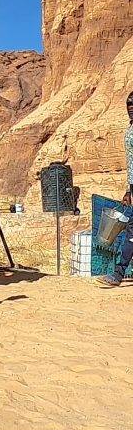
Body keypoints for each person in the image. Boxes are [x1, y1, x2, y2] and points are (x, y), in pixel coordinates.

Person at [96, 91, 133, 287]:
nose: (131, 107)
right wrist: (129, 189)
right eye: (128, 103)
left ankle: (118, 274)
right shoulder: (130, 129)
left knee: (132, 232)